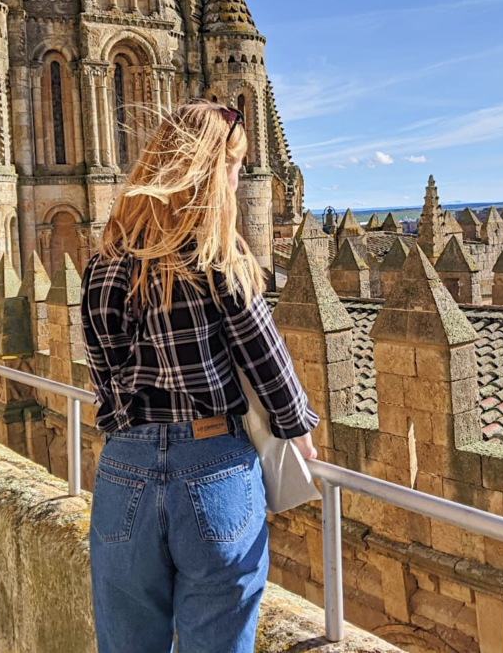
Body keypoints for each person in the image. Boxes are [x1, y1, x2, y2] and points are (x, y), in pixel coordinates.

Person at [80, 100, 320, 653]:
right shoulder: (217, 259)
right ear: (209, 172)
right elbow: (268, 362)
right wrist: (300, 434)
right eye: (233, 166)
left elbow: (103, 373)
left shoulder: (102, 265)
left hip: (122, 471)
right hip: (212, 469)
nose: (238, 181)